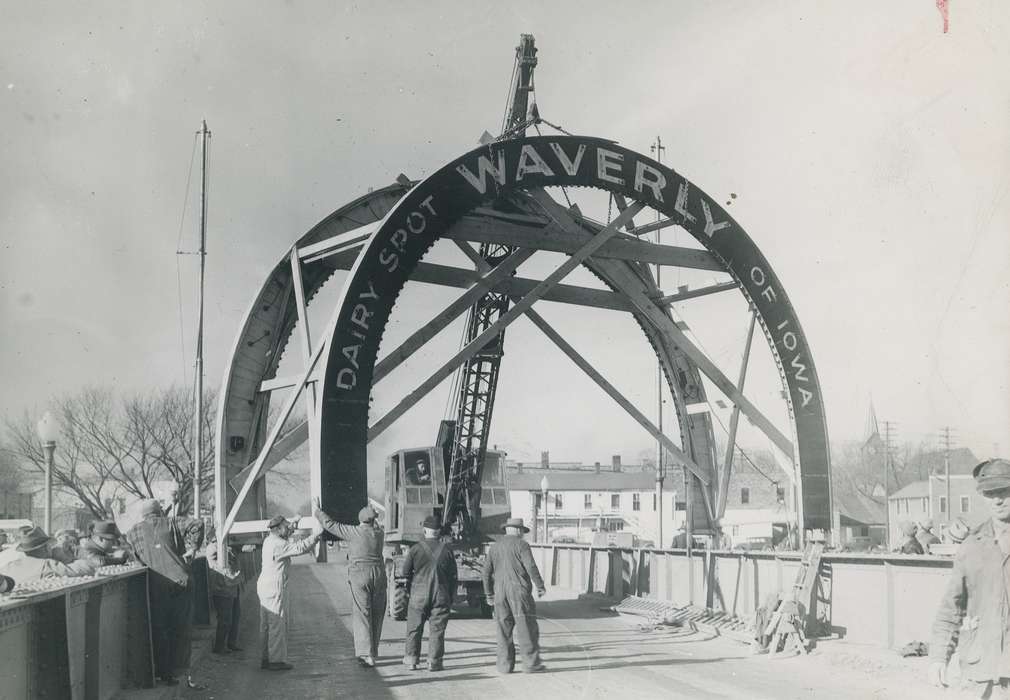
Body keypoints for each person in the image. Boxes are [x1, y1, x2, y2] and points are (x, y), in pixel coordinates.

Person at [929, 458, 1010, 696]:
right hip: (981, 672)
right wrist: (938, 657)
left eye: (1004, 491)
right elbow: (951, 609)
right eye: (989, 493)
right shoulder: (971, 547)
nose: (997, 500)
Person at [126, 498, 205, 688]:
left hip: (155, 586)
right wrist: (193, 548)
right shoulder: (172, 522)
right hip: (180, 582)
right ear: (159, 511)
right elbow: (198, 523)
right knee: (180, 629)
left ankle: (163, 673)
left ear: (143, 514)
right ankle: (179, 672)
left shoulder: (132, 532)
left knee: (160, 629)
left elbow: (134, 557)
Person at [312, 497, 387, 667]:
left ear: (360, 520)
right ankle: (373, 651)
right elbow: (376, 524)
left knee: (362, 613)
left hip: (360, 575)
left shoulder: (353, 532)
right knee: (377, 613)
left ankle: (366, 654)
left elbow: (330, 524)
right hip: (379, 575)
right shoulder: (379, 533)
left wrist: (317, 510)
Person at [482, 516, 547, 674]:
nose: (523, 534)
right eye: (522, 531)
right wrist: (540, 585)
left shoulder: (495, 547)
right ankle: (531, 664)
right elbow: (530, 566)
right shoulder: (522, 545)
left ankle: (504, 666)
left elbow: (485, 572)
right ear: (518, 530)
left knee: (503, 629)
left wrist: (488, 594)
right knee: (526, 628)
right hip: (519, 592)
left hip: (499, 593)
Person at [258, 514, 323, 671]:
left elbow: (285, 534)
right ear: (279, 529)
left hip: (265, 585)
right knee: (277, 623)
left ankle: (266, 658)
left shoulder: (269, 540)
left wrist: (293, 522)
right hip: (275, 585)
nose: (289, 529)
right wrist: (316, 536)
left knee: (266, 624)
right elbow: (299, 548)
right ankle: (276, 660)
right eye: (286, 527)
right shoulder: (279, 544)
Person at [402, 515, 457, 672]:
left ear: (424, 530)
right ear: (439, 532)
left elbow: (405, 573)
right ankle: (434, 662)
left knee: (414, 628)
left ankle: (412, 660)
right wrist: (450, 595)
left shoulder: (415, 549)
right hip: (441, 594)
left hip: (418, 594)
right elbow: (453, 575)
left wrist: (409, 591)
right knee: (437, 629)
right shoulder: (447, 550)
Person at [0, 526, 95, 579]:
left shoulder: (8, 567)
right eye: (49, 545)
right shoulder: (47, 565)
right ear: (46, 548)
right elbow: (88, 568)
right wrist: (64, 557)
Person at [206, 539, 243, 655]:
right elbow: (218, 557)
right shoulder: (213, 547)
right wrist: (228, 547)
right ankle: (219, 646)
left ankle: (231, 643)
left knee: (235, 616)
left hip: (232, 586)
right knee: (225, 619)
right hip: (221, 588)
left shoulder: (227, 546)